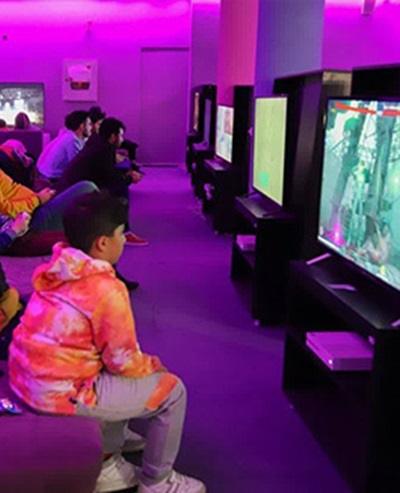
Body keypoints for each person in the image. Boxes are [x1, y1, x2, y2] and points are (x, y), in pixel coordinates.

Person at [8, 191, 206, 493]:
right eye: (121, 234)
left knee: (117, 369)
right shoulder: (106, 288)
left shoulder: (56, 268)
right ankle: (158, 481)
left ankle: (108, 456)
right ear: (102, 243)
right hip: (58, 395)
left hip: (24, 380)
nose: (124, 240)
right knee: (172, 391)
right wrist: (154, 366)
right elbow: (123, 362)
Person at [58, 117, 148, 247]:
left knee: (120, 182)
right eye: (120, 135)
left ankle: (118, 228)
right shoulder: (104, 149)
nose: (122, 139)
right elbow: (109, 178)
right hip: (75, 189)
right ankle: (124, 232)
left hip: (72, 184)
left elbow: (105, 172)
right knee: (121, 189)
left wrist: (126, 175)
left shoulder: (97, 143)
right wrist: (129, 178)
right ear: (113, 136)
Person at [0, 167, 97, 243]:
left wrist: (37, 197)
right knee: (87, 189)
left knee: (81, 189)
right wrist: (38, 200)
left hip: (34, 206)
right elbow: (7, 210)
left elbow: (12, 188)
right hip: (27, 223)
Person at [35, 110, 92, 188]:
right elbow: (77, 166)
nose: (91, 128)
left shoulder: (68, 134)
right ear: (82, 126)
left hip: (43, 173)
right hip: (51, 179)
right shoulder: (72, 140)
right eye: (89, 124)